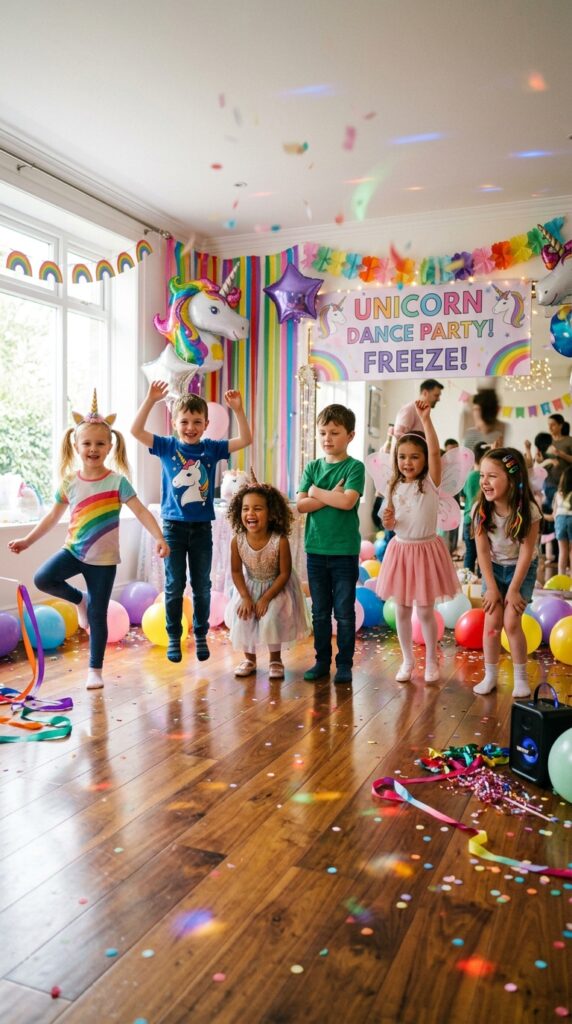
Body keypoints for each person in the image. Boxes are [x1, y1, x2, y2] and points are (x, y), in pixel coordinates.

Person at [8, 392, 169, 690]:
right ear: (76, 446)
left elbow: (141, 511)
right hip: (73, 551)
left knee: (97, 615)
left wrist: (159, 537)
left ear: (109, 446)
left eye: (100, 443)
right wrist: (27, 541)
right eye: (87, 443)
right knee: (43, 578)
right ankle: (80, 599)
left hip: (103, 561)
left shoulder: (117, 482)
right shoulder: (70, 482)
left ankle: (95, 669)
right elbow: (52, 517)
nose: (93, 449)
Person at [131, 380, 252, 663]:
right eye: (184, 421)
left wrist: (238, 410)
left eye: (197, 422)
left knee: (202, 585)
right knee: (174, 585)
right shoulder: (166, 446)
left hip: (200, 529)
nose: (190, 427)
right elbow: (136, 431)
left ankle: (200, 634)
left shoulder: (210, 448)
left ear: (206, 424)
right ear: (174, 423)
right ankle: (174, 636)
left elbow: (245, 440)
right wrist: (150, 400)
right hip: (172, 528)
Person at [375, 401, 459, 684]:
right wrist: (388, 521)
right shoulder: (393, 485)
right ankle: (407, 660)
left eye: (414, 457)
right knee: (402, 609)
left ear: (424, 460)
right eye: (402, 457)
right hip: (401, 550)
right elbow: (391, 523)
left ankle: (432, 659)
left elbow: (434, 450)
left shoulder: (431, 483)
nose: (407, 462)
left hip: (425, 550)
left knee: (424, 609)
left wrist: (425, 419)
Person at [297, 404, 365, 685]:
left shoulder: (354, 467)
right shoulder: (312, 467)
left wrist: (316, 492)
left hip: (344, 552)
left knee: (344, 613)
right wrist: (329, 495)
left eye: (335, 432)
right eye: (323, 432)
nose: (327, 438)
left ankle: (344, 664)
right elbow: (301, 505)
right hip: (316, 551)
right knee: (320, 612)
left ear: (350, 435)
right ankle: (322, 661)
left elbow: (347, 501)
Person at [472, 448, 541, 699]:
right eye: (482, 475)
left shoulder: (529, 511)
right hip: (493, 568)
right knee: (492, 623)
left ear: (512, 480)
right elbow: (482, 551)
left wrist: (513, 590)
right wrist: (491, 587)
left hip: (521, 569)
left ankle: (520, 678)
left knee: (511, 622)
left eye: (492, 476)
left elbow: (526, 553)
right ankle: (490, 676)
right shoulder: (481, 509)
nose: (484, 482)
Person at [226, 480, 311, 678]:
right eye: (245, 509)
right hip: (250, 587)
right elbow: (236, 572)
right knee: (245, 616)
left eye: (257, 508)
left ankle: (275, 659)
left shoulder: (279, 541)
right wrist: (245, 597)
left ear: (271, 513)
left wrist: (266, 598)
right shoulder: (237, 541)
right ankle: (249, 659)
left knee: (271, 617)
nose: (250, 513)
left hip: (277, 587)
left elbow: (285, 573)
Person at [462, 441, 489, 574]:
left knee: (470, 553)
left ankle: (467, 579)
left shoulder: (468, 476)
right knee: (482, 553)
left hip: (467, 519)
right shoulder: (484, 477)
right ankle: (481, 579)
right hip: (481, 518)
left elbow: (463, 497)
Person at [554, 466, 572, 576]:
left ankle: (561, 576)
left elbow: (554, 512)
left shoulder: (558, 493)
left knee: (562, 551)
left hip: (560, 519)